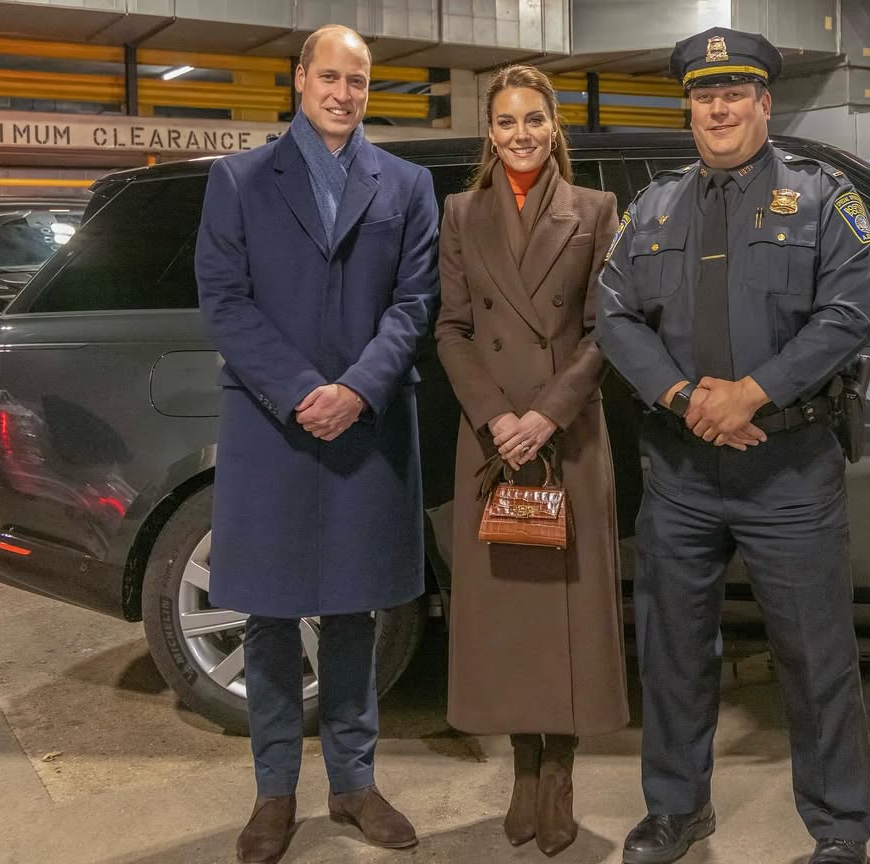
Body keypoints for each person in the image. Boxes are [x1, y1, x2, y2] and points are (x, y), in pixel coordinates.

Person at [596, 27, 870, 864]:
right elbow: (613, 317)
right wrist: (687, 399)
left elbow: (847, 313)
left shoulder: (824, 198)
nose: (718, 106)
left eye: (735, 92)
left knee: (815, 656)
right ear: (689, 107)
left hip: (788, 466)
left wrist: (752, 393)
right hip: (681, 468)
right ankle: (677, 812)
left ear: (763, 102)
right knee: (674, 652)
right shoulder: (651, 207)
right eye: (703, 94)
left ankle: (838, 832)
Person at [195, 24, 439, 864]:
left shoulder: (406, 185)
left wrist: (356, 390)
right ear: (298, 80)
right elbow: (224, 300)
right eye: (329, 76)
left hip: (365, 424)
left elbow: (414, 303)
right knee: (267, 613)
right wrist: (305, 392)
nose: (343, 93)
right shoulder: (239, 179)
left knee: (353, 610)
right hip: (273, 423)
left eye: (359, 81)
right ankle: (273, 792)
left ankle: (354, 783)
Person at [435, 64, 628, 857]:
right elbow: (451, 328)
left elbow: (606, 329)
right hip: (491, 438)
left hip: (567, 432)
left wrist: (545, 415)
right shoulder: (461, 211)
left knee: (570, 611)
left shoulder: (594, 210)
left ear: (555, 129)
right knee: (505, 615)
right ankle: (521, 765)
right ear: (491, 130)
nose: (520, 134)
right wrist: (497, 417)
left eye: (534, 120)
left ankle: (562, 771)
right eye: (506, 121)